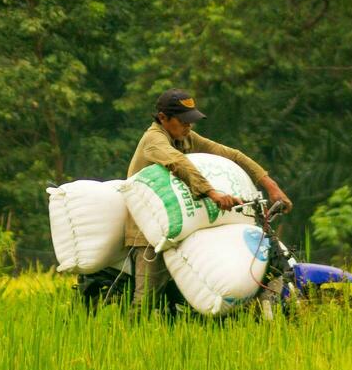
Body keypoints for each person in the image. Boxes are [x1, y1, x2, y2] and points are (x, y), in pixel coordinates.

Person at [125, 88, 292, 307]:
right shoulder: (154, 140)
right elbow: (178, 162)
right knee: (146, 299)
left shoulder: (186, 137)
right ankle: (131, 330)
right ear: (163, 118)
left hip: (185, 223)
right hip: (149, 229)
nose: (188, 126)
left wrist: (271, 186)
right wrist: (212, 193)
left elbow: (231, 155)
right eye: (183, 121)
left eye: (190, 121)